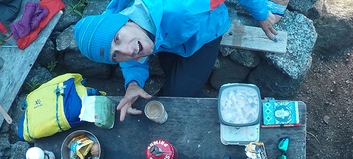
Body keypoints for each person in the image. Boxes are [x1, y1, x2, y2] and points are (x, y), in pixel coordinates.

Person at [73, 0, 283, 121]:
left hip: (204, 34)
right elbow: (131, 55)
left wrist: (261, 13)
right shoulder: (124, 26)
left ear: (125, 20)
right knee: (178, 92)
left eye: (117, 39)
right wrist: (134, 83)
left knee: (178, 93)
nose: (126, 51)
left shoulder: (185, 6)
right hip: (167, 40)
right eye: (115, 55)